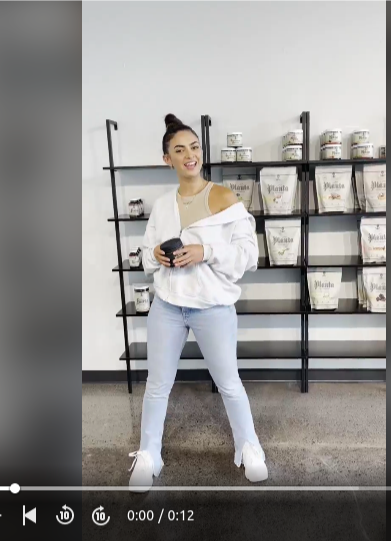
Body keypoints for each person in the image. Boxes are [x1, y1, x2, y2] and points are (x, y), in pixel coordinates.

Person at [128, 114, 267, 492]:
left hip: (213, 307)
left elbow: (249, 255)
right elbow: (146, 256)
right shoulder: (162, 206)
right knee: (157, 385)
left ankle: (249, 447)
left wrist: (205, 251)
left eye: (194, 147)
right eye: (179, 150)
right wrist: (156, 254)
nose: (189, 155)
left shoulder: (224, 198)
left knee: (229, 383)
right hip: (167, 306)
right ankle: (148, 454)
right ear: (167, 159)